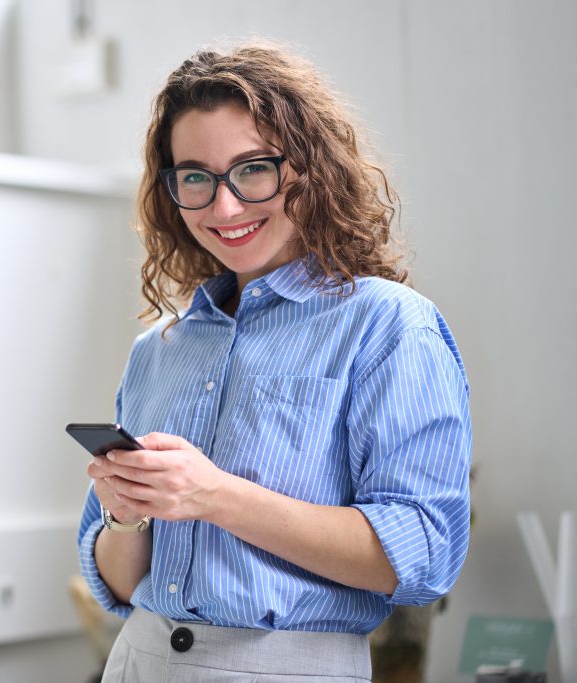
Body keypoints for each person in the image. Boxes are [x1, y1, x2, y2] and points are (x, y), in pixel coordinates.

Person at [77, 41, 472, 683]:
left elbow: (423, 555)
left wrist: (215, 496)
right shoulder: (159, 349)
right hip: (137, 662)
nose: (224, 207)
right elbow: (116, 587)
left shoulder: (387, 324)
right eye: (196, 177)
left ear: (308, 168)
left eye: (253, 169)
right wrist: (125, 514)